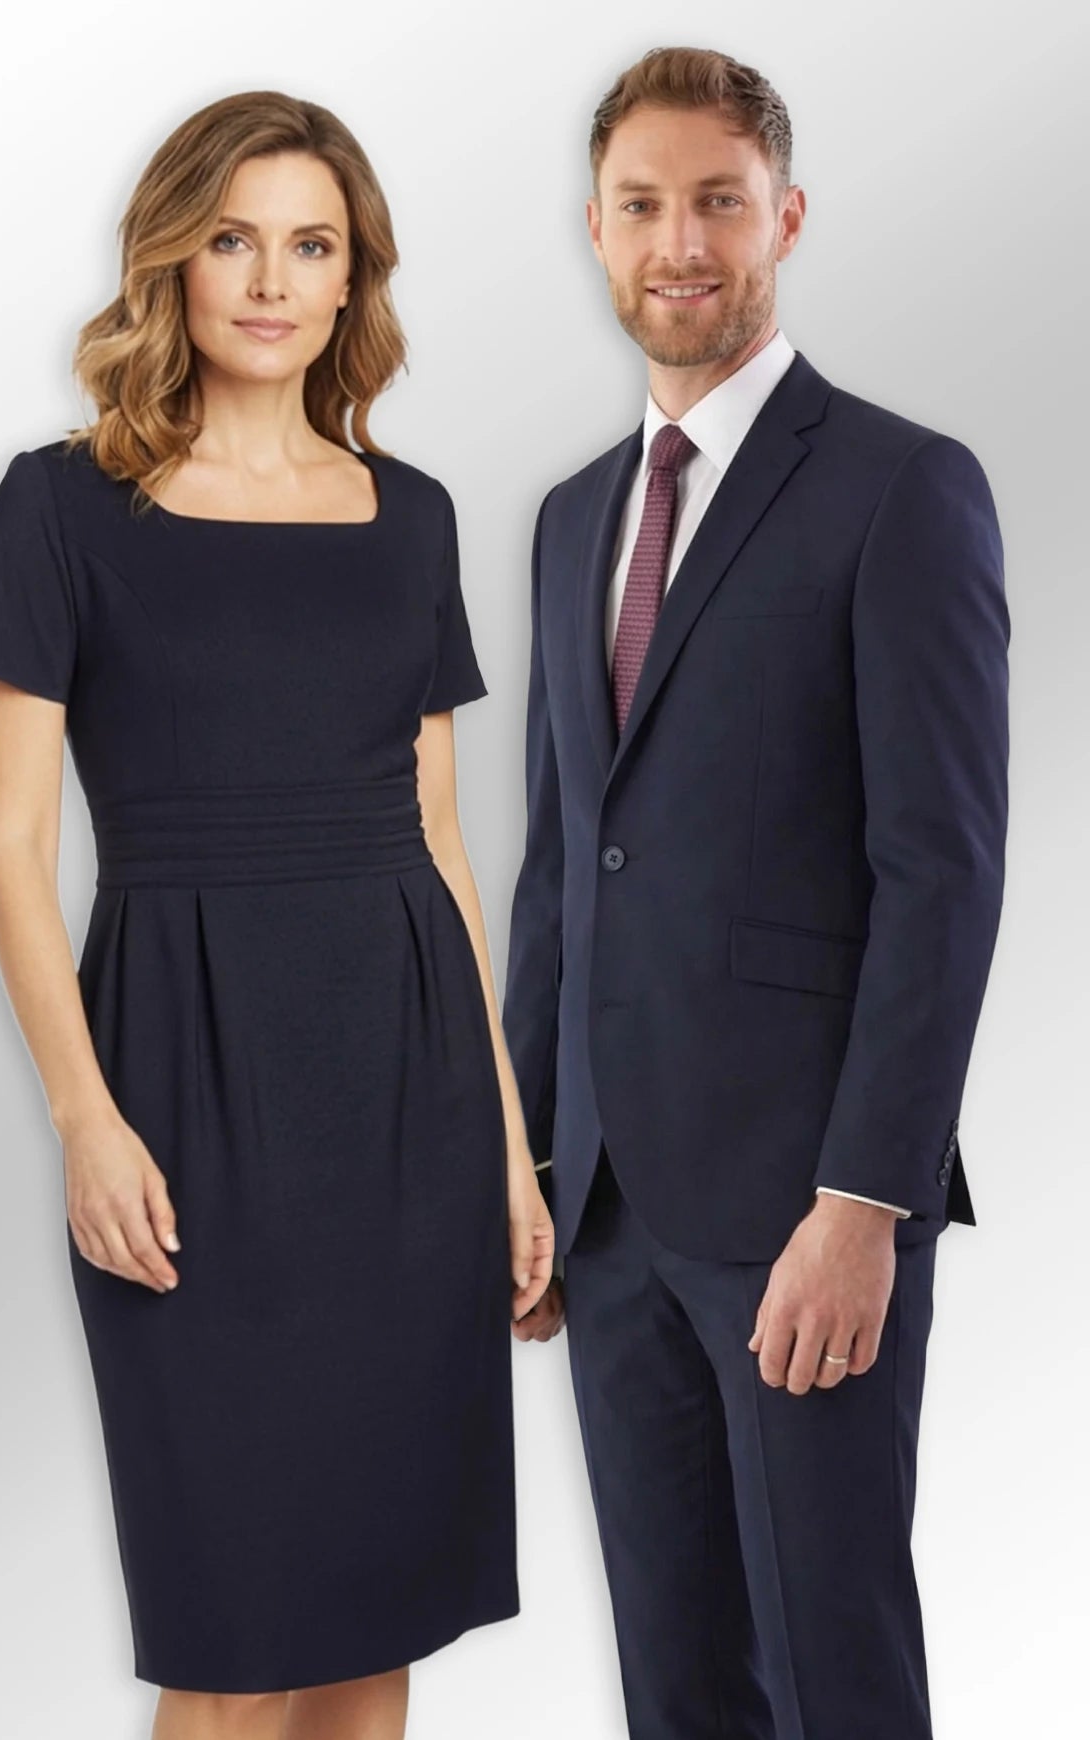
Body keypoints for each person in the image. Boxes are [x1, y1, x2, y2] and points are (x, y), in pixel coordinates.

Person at [0, 89, 553, 1740]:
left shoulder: (410, 516)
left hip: (407, 1103)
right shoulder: (60, 507)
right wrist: (84, 1116)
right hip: (184, 1090)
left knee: (375, 1624)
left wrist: (506, 1152)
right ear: (173, 262)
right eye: (233, 240)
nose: (271, 281)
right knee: (231, 1639)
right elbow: (12, 850)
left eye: (312, 246)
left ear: (356, 282)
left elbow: (442, 841)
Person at [504, 45, 1008, 1740]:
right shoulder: (572, 520)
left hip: (806, 1216)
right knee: (678, 1689)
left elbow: (942, 871)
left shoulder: (898, 487)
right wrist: (526, 1165)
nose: (682, 242)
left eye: (718, 200)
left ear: (783, 216)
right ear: (593, 230)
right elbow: (562, 870)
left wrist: (868, 1201)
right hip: (611, 1225)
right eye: (643, 205)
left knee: (833, 1675)